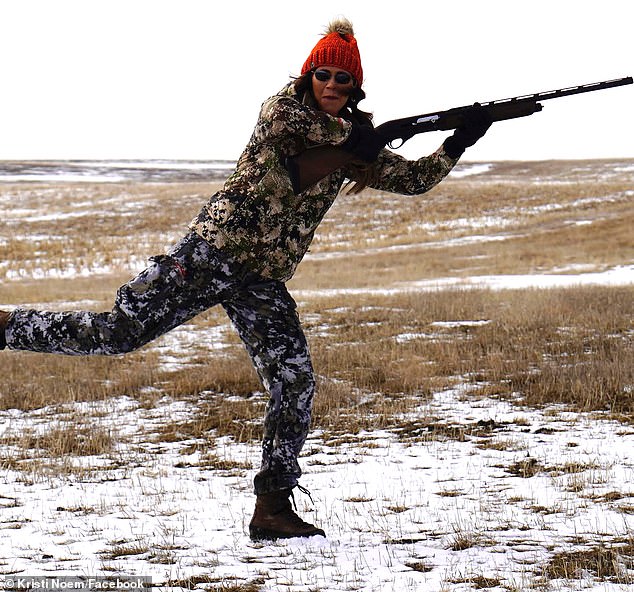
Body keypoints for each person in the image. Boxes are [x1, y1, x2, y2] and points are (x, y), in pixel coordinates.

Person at [0, 18, 490, 541]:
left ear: (354, 87)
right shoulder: (283, 112)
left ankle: (272, 509)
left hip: (261, 279)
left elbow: (412, 181)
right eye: (322, 74)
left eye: (342, 80)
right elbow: (310, 134)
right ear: (308, 77)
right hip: (211, 255)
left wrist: (457, 140)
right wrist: (372, 137)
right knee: (118, 334)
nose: (330, 84)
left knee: (293, 380)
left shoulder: (353, 142)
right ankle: (7, 326)